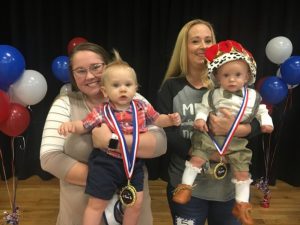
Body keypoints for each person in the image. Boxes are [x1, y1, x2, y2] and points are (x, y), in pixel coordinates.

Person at [40, 42, 167, 225]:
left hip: (132, 206)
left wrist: (111, 141)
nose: (90, 76)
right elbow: (49, 158)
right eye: (80, 71)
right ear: (73, 76)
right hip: (81, 210)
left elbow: (160, 144)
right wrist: (106, 178)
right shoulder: (65, 103)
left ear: (108, 67)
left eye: (96, 67)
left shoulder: (133, 99)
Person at [155, 19, 261, 225]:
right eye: (195, 41)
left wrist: (238, 129)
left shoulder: (232, 81)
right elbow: (164, 133)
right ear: (183, 48)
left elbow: (257, 121)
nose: (203, 46)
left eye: (208, 40)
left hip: (226, 189)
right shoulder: (171, 87)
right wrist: (205, 153)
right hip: (187, 186)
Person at [172, 40, 274, 225]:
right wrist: (200, 119)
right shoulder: (212, 94)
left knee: (242, 173)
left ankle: (242, 206)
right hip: (209, 138)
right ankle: (185, 187)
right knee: (196, 158)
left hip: (236, 143)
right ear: (218, 77)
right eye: (226, 75)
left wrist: (265, 123)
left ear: (247, 77)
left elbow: (262, 111)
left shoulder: (253, 97)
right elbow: (203, 108)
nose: (232, 79)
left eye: (237, 75)